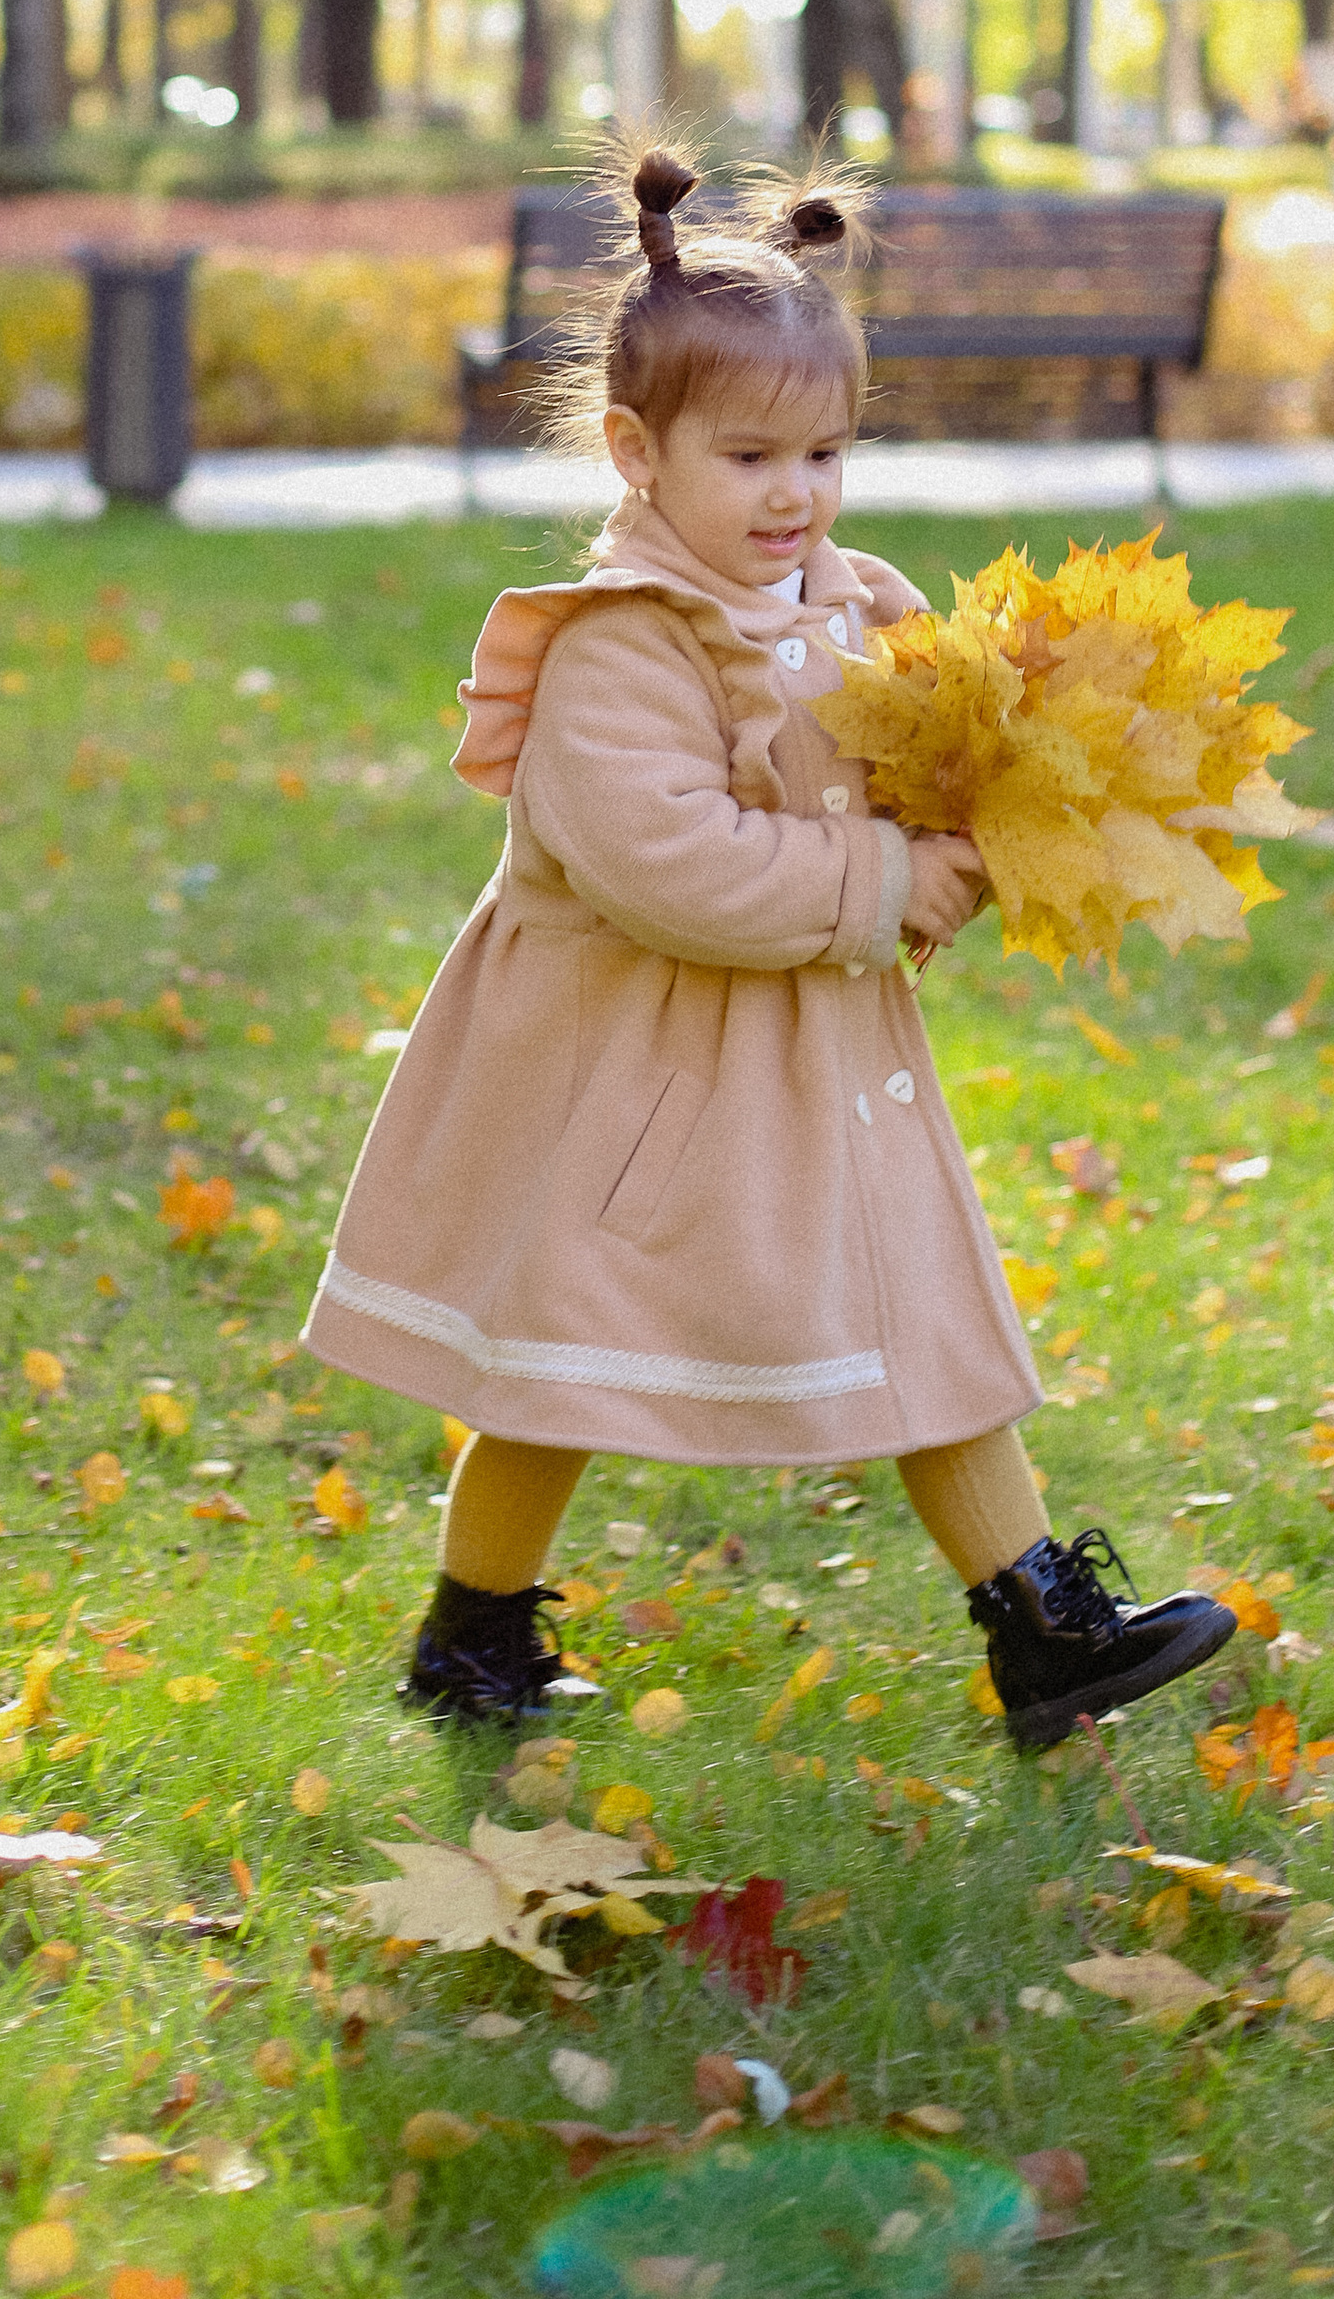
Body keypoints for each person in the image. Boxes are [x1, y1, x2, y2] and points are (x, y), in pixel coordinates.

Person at [301, 146, 1235, 1753]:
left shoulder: (855, 602)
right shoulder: (622, 647)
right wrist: (879, 883)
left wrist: (1000, 797)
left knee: (928, 1321)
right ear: (634, 453)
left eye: (824, 450)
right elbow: (672, 865)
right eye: (750, 457)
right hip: (637, 1082)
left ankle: (1040, 1631)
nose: (793, 492)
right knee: (554, 1358)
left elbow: (917, 764)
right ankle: (475, 1634)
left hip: (817, 1061)